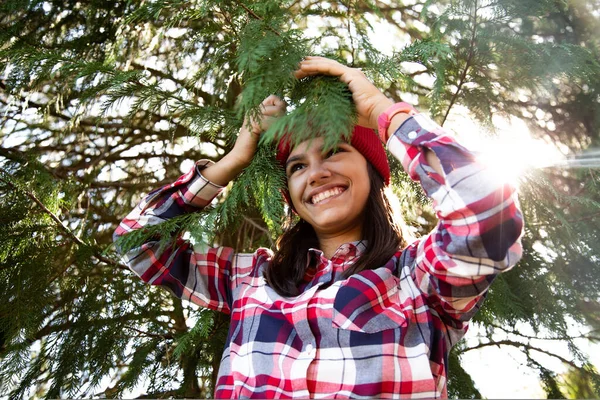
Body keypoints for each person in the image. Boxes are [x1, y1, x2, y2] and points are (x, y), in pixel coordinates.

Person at [114, 56, 523, 398]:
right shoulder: (252, 280)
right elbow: (139, 243)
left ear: (373, 171)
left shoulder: (419, 281)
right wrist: (232, 162)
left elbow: (486, 209)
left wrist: (381, 110)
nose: (316, 173)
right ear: (291, 196)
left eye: (333, 151)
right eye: (297, 167)